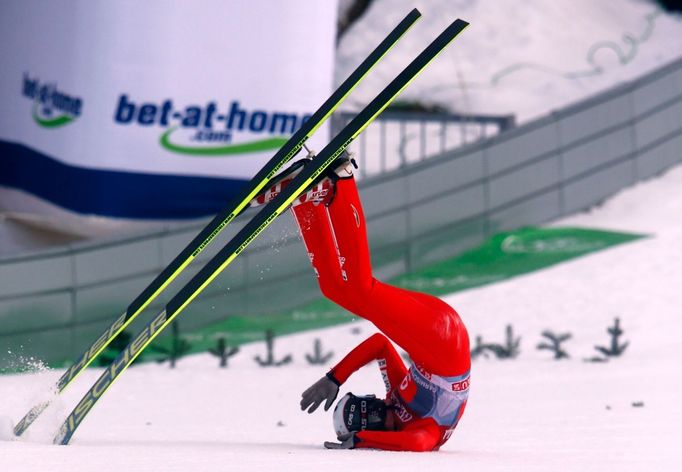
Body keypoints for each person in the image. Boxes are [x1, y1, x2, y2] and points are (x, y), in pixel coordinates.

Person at [257, 153, 470, 452]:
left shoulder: (394, 399)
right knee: (360, 289)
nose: (369, 412)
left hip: (434, 337)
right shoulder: (420, 428)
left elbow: (380, 346)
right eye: (362, 414)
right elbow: (420, 444)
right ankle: (340, 182)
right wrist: (358, 436)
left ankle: (306, 202)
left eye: (360, 411)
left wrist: (334, 379)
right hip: (444, 338)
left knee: (335, 289)